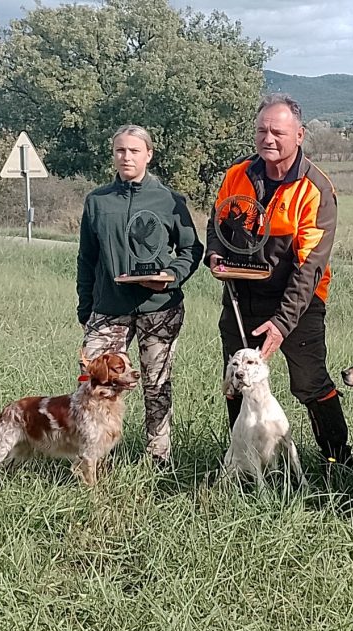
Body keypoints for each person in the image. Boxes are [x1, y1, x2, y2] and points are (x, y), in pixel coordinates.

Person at [205, 93, 350, 466]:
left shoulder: (315, 188)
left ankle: (336, 460)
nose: (268, 138)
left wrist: (282, 324)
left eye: (278, 132)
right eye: (262, 130)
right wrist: (215, 252)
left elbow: (310, 267)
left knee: (309, 382)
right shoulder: (237, 174)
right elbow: (216, 223)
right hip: (242, 297)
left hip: (298, 302)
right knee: (238, 379)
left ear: (299, 135)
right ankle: (244, 461)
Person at [77, 124, 203, 463]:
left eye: (134, 151)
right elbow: (87, 258)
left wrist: (171, 278)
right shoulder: (98, 202)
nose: (126, 156)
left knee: (155, 385)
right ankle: (94, 453)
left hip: (159, 309)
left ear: (149, 154)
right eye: (121, 150)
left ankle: (158, 458)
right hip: (109, 308)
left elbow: (192, 249)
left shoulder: (169, 201)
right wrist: (86, 307)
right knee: (95, 380)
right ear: (113, 154)